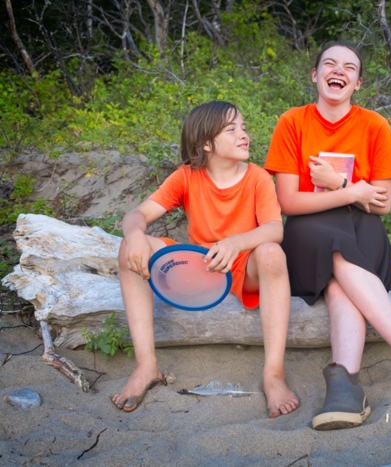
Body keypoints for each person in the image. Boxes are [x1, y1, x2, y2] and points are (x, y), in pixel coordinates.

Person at [264, 42, 391, 431]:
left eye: (349, 67)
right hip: (308, 230)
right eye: (329, 64)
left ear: (357, 82)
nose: (338, 71)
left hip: (363, 226)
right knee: (335, 250)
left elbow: (382, 204)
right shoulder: (292, 122)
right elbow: (289, 202)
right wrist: (352, 192)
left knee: (339, 280)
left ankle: (346, 386)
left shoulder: (374, 125)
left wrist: (339, 183)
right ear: (315, 75)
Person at [111, 101, 299, 418]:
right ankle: (146, 366)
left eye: (243, 127)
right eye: (232, 130)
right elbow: (137, 214)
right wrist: (134, 235)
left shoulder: (258, 178)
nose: (244, 135)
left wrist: (236, 243)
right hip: (200, 267)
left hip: (243, 269)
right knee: (129, 245)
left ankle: (274, 375)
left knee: (271, 252)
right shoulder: (186, 177)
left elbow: (274, 229)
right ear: (207, 144)